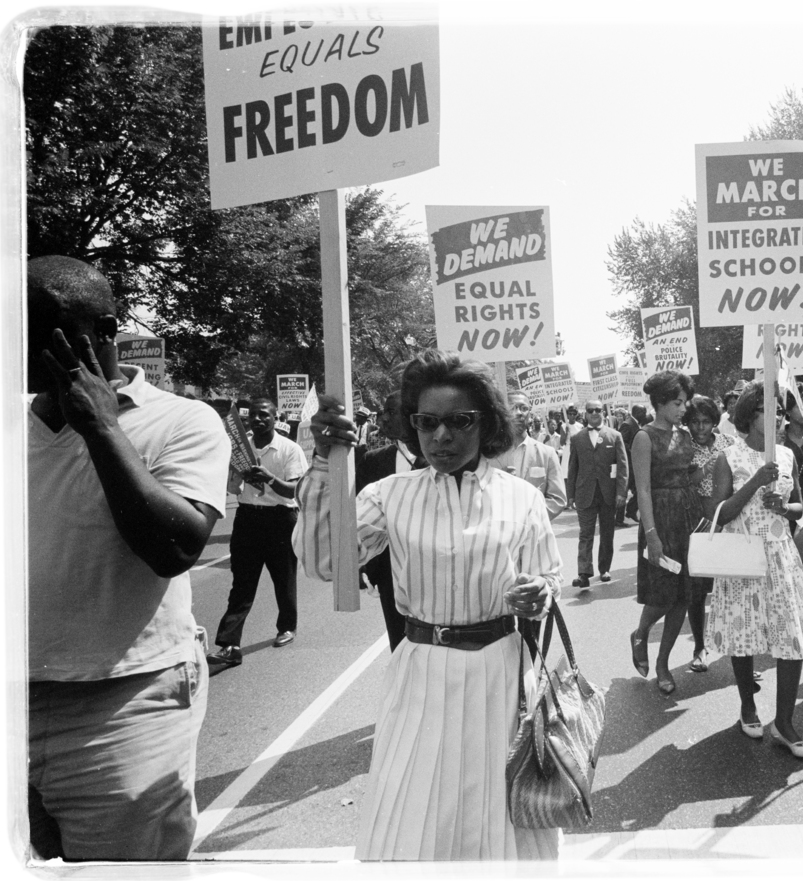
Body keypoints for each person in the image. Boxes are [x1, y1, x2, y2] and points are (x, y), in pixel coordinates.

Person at [296, 350, 561, 861]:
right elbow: (325, 560)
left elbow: (547, 577)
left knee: (499, 823)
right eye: (426, 422)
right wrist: (323, 464)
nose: (441, 436)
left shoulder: (521, 498)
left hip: (501, 677)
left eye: (458, 422)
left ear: (486, 424)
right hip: (421, 672)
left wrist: (538, 593)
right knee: (410, 816)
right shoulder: (389, 494)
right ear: (411, 425)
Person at [26, 256, 230, 860]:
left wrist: (100, 428)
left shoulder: (183, 422)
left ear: (107, 332)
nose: (26, 352)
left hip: (124, 705)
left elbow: (174, 548)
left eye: (45, 335)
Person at [706, 382, 803, 757]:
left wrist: (783, 507)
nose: (775, 414)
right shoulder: (730, 456)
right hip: (742, 555)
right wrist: (756, 483)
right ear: (749, 415)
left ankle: (785, 722)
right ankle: (748, 705)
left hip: (781, 555)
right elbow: (719, 513)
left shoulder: (787, 456)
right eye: (765, 408)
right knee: (744, 636)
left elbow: (800, 509)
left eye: (778, 408)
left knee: (790, 638)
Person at [207, 397, 308, 667]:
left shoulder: (289, 449)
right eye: (253, 415)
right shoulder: (240, 449)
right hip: (248, 519)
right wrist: (238, 477)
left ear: (275, 418)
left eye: (264, 415)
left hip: (281, 520)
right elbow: (232, 490)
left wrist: (269, 479)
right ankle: (229, 644)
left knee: (283, 579)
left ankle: (287, 626)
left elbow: (296, 490)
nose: (258, 419)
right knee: (242, 583)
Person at [631, 370, 702, 695]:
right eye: (677, 402)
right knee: (662, 595)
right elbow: (643, 490)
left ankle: (662, 663)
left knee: (683, 597)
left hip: (686, 522)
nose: (682, 408)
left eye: (684, 402)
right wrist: (652, 535)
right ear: (659, 402)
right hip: (659, 522)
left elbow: (692, 475)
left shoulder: (686, 436)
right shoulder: (644, 437)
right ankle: (641, 632)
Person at [355, 391, 418, 653]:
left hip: (436, 566)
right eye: (382, 412)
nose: (383, 419)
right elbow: (358, 520)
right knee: (400, 645)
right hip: (391, 572)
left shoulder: (442, 460)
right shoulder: (373, 460)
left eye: (391, 412)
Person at [684, 395, 736, 672]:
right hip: (699, 521)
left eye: (705, 422)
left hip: (728, 520)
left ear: (715, 422)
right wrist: (708, 467)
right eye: (694, 422)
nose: (700, 428)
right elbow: (684, 482)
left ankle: (737, 651)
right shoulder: (684, 446)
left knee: (730, 587)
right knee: (697, 590)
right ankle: (699, 647)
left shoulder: (729, 443)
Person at [565, 398, 628, 587]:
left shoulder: (614, 436)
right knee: (586, 533)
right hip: (585, 492)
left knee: (607, 533)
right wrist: (570, 494)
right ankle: (584, 573)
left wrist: (621, 492)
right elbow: (572, 468)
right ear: (585, 414)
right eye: (590, 410)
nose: (594, 413)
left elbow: (623, 467)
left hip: (608, 493)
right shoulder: (577, 438)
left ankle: (604, 569)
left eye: (597, 410)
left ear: (603, 413)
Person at [494, 390, 568, 521]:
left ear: (530, 413)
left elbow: (558, 500)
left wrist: (527, 518)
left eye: (524, 408)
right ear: (502, 412)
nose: (518, 413)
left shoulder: (547, 454)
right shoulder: (488, 454)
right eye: (512, 408)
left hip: (534, 534)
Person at [617, 403, 644, 525]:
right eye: (643, 412)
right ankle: (619, 519)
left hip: (634, 464)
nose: (645, 415)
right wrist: (633, 449)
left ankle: (631, 511)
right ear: (637, 412)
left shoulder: (634, 423)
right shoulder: (627, 424)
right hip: (628, 464)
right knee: (624, 491)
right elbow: (621, 444)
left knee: (638, 489)